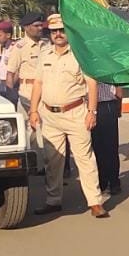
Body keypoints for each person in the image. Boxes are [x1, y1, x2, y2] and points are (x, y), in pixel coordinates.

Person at [29, 14, 107, 219]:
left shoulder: (80, 55)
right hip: (50, 114)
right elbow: (38, 83)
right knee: (52, 160)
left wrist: (92, 111)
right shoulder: (45, 54)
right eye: (54, 31)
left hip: (75, 113)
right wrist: (33, 110)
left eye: (61, 31)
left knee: (85, 160)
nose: (58, 35)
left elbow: (92, 84)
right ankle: (53, 200)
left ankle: (95, 202)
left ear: (68, 33)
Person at [7, 12, 48, 121]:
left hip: (46, 93)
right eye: (36, 26)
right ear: (26, 27)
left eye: (41, 25)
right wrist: (12, 95)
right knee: (30, 130)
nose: (40, 28)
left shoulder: (46, 45)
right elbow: (10, 74)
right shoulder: (20, 47)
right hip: (27, 94)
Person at [91, 80, 123, 195]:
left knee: (111, 147)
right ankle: (102, 182)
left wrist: (118, 107)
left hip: (107, 104)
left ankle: (114, 182)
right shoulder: (86, 65)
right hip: (90, 107)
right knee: (97, 148)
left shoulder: (108, 64)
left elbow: (119, 85)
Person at [0, 20, 18, 104]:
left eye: (0, 35)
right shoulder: (6, 48)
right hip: (2, 82)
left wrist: (11, 86)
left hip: (9, 83)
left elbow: (16, 69)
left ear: (8, 35)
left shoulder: (14, 48)